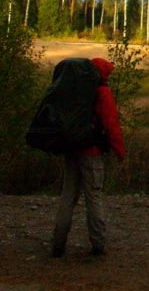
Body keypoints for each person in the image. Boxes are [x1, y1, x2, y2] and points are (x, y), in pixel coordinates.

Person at [51, 57, 126, 258]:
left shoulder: (72, 91)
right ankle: (98, 245)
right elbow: (111, 125)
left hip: (71, 150)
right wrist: (120, 151)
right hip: (92, 153)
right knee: (93, 197)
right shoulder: (102, 92)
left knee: (68, 197)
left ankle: (58, 245)